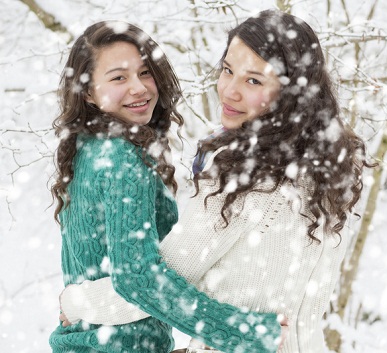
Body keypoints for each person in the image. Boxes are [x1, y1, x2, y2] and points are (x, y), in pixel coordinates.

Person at [58, 10, 371, 353]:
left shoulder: (249, 178)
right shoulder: (331, 166)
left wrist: (75, 300)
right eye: (227, 71)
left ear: (290, 93)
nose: (230, 92)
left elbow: (153, 281)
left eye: (253, 80)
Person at [48, 20, 282, 353]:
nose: (139, 88)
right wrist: (243, 332)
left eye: (145, 73)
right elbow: (138, 279)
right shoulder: (121, 159)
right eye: (118, 77)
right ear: (88, 91)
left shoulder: (89, 148)